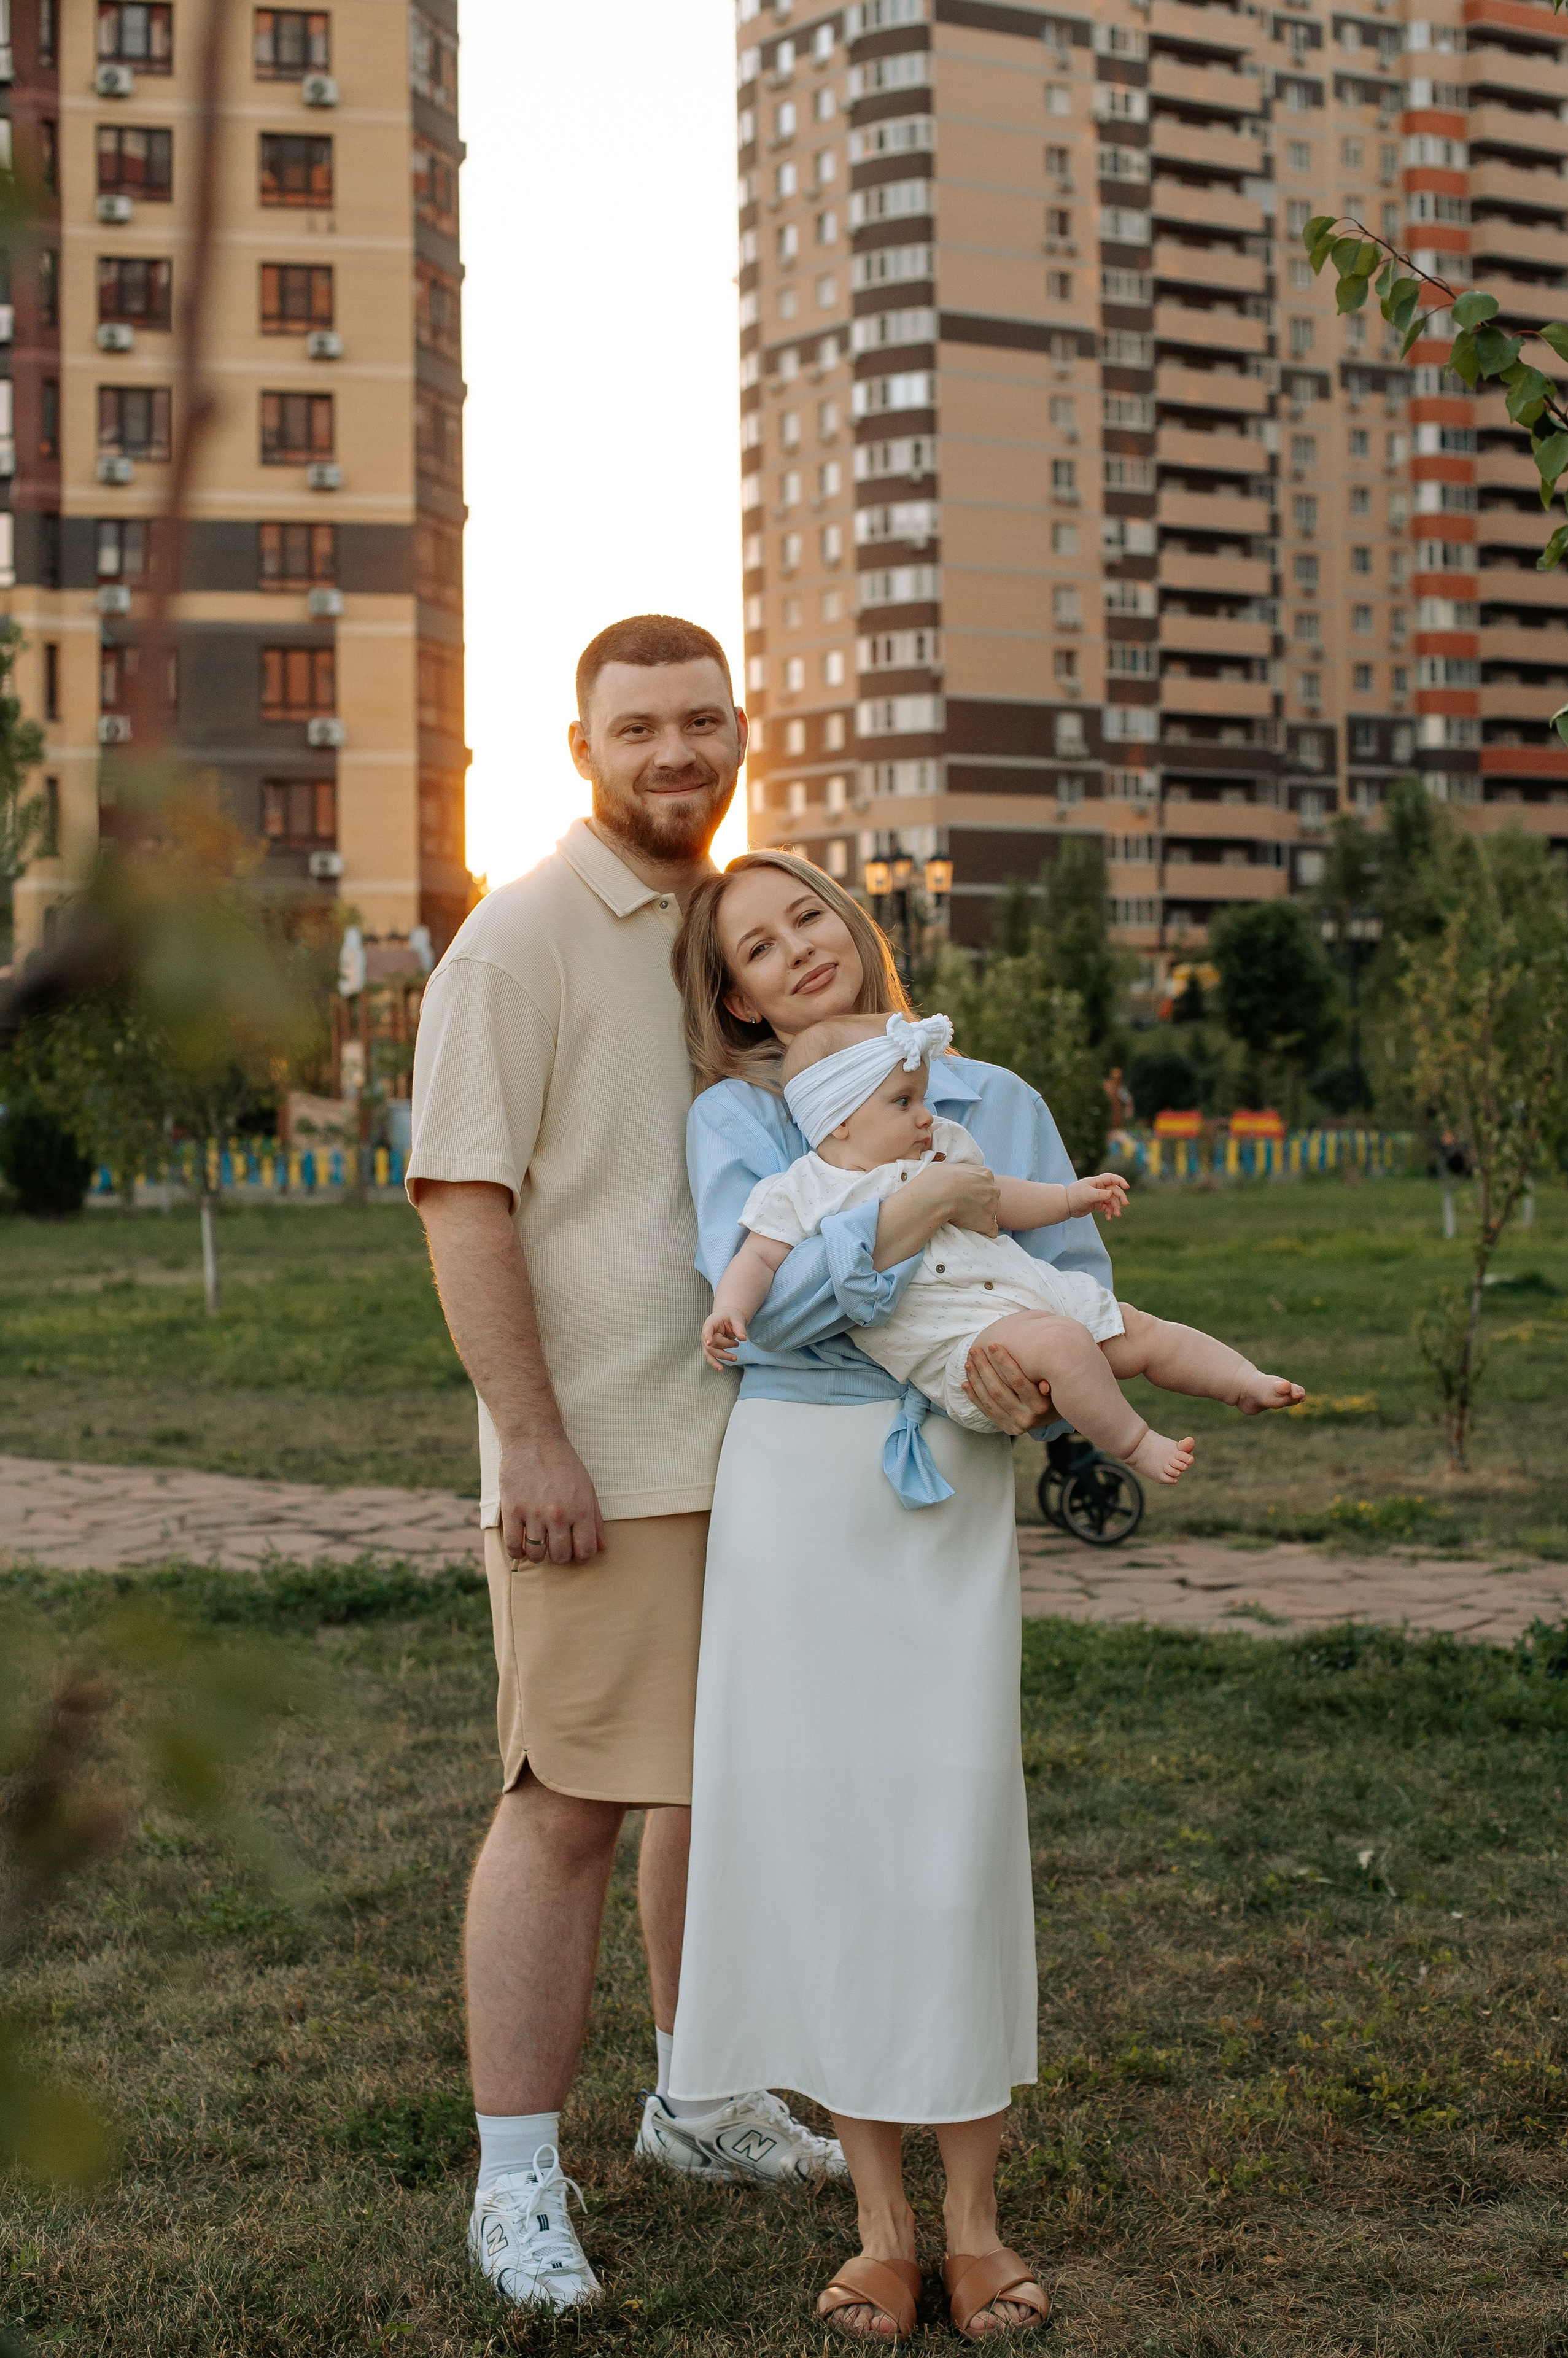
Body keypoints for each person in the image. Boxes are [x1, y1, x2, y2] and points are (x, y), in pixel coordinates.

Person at [406, 618, 844, 2318]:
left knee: (708, 1788)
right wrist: (529, 1437)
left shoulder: (725, 934)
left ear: (743, 730)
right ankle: (516, 2183)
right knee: (564, 1802)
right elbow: (464, 1200)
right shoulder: (518, 941)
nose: (677, 750)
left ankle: (702, 2095)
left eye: (701, 721)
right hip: (601, 1461)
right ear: (581, 746)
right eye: (638, 726)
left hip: (764, 1449)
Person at [667, 851, 1106, 2342]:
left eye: (810, 917)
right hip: (793, 1497)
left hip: (946, 1480)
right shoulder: (732, 1121)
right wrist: (914, 1212)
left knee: (947, 1833)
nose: (795, 949)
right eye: (757, 944)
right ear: (731, 993)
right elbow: (751, 1305)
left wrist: (1033, 1393)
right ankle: (882, 2227)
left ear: (853, 931)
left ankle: (977, 2224)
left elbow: (1077, 1290)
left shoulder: (994, 1093)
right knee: (834, 1838)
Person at [704, 1010, 1304, 1486]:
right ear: (837, 1120)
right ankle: (1137, 1444)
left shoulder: (940, 1147)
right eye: (903, 1102)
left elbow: (999, 1198)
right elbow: (757, 1258)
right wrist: (731, 1310)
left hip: (1031, 1296)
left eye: (923, 1097)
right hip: (966, 1347)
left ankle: (1242, 1381)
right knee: (1066, 1344)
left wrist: (1069, 1198)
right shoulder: (804, 1189)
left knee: (1140, 1328)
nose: (924, 1114)